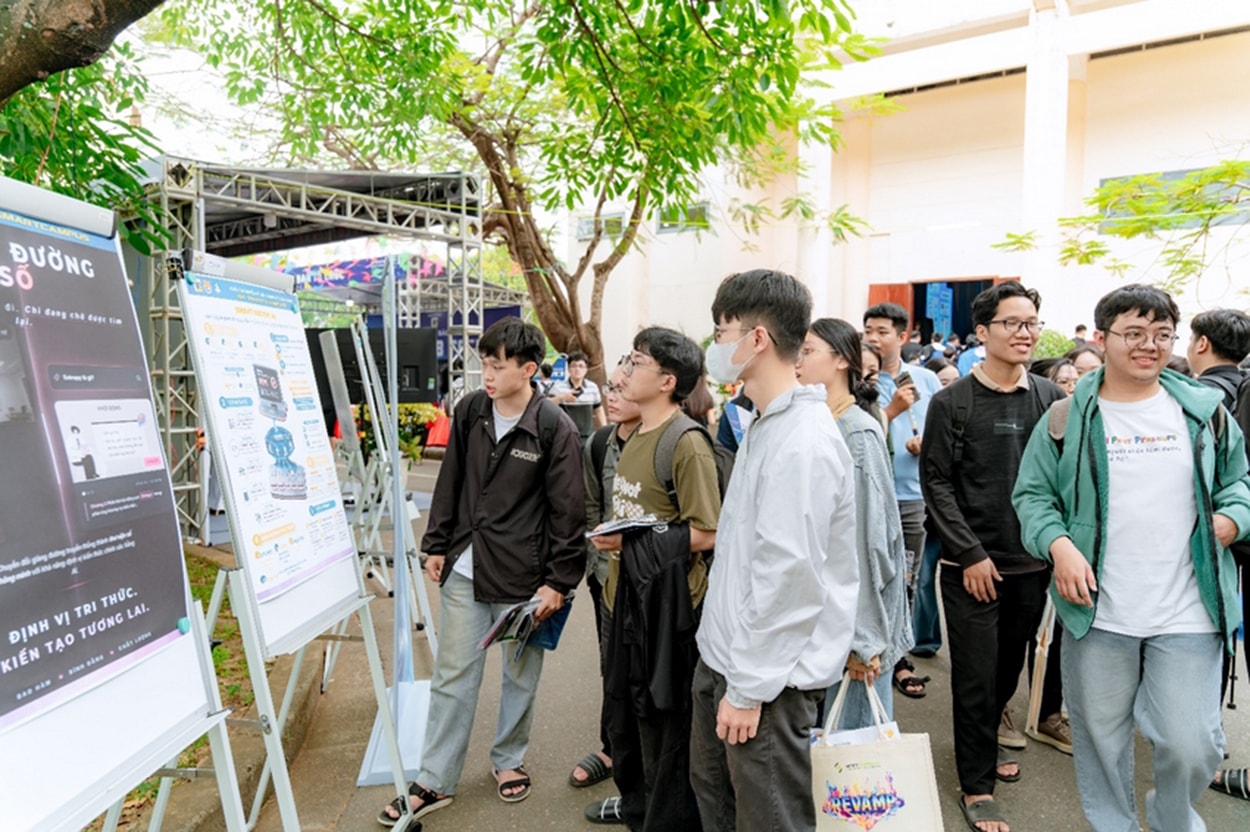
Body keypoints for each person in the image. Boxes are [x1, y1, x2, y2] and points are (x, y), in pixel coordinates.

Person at [1013, 284, 1250, 832]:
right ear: (1102, 338)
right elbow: (1033, 497)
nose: (1150, 345)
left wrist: (1232, 518)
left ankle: (1173, 819)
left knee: (1192, 742)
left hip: (1189, 610)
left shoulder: (1205, 413)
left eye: (1162, 334)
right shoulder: (1066, 417)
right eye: (1134, 333)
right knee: (1101, 737)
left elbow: (1239, 482)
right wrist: (1059, 546)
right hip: (1098, 611)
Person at [377, 318, 586, 826]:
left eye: (497, 366)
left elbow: (568, 512)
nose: (486, 375)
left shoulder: (553, 427)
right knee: (452, 676)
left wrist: (557, 583)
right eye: (484, 364)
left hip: (525, 580)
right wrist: (437, 544)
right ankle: (435, 778)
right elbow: (450, 478)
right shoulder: (472, 409)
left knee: (520, 677)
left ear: (529, 370)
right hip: (466, 569)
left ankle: (508, 760)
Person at [690, 268, 859, 832]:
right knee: (719, 804)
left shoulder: (802, 441)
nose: (716, 345)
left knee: (769, 817)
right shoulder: (767, 423)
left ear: (756, 338)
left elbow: (788, 578)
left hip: (769, 682)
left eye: (722, 332)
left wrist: (747, 688)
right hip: (729, 659)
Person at [919, 281, 1066, 832]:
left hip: (1032, 563)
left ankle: (982, 740)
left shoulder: (1051, 398)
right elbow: (937, 483)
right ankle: (977, 785)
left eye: (1031, 322)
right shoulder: (951, 402)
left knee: (1006, 672)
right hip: (971, 567)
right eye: (1012, 323)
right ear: (982, 332)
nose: (1025, 332)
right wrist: (970, 553)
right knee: (976, 677)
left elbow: (1061, 480)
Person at [590, 327, 720, 831]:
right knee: (625, 720)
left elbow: (708, 531)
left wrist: (632, 543)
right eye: (628, 358)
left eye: (637, 362)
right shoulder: (631, 434)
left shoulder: (685, 443)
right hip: (625, 601)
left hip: (668, 613)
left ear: (668, 381)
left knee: (667, 730)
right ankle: (638, 812)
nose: (624, 370)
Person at [798, 317, 912, 728]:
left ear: (842, 360)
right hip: (823, 614)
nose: (797, 361)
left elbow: (870, 542)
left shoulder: (856, 433)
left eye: (807, 351)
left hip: (854, 626)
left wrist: (864, 640)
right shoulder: (817, 422)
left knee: (854, 749)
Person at [570, 360, 641, 810]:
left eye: (622, 389)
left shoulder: (672, 443)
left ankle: (642, 762)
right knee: (611, 667)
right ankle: (611, 747)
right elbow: (592, 510)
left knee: (647, 674)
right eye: (609, 389)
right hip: (607, 580)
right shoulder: (598, 444)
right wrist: (598, 569)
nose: (612, 397)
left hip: (654, 583)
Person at [863, 302, 944, 699]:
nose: (873, 338)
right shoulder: (862, 379)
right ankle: (869, 652)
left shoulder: (926, 380)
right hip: (873, 495)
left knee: (907, 578)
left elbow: (945, 431)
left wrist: (926, 444)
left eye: (882, 331)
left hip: (912, 497)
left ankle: (898, 656)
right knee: (870, 577)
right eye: (868, 331)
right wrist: (892, 411)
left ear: (903, 336)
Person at [1186, 307, 1250, 799]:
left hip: (1213, 540)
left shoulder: (1202, 399)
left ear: (1202, 343)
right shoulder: (1239, 388)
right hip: (1232, 536)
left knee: (1201, 639)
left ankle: (1202, 741)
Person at [549, 350, 605, 440]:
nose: (577, 369)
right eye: (574, 366)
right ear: (568, 369)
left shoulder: (592, 387)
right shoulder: (558, 387)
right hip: (565, 436)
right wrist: (562, 398)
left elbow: (598, 409)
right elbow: (547, 404)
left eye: (581, 366)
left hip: (587, 436)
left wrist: (604, 429)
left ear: (586, 369)